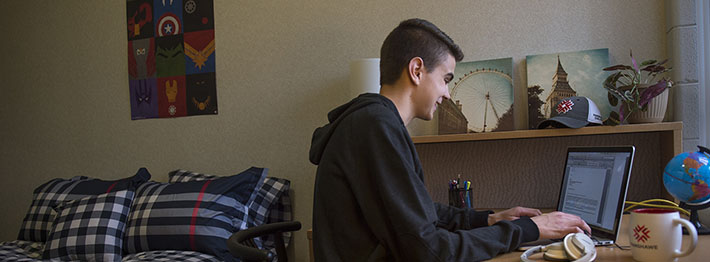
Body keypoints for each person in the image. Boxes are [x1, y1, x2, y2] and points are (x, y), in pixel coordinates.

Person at [309, 18, 591, 261]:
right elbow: (430, 251)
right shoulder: (374, 127)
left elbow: (416, 212)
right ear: (417, 71)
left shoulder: (372, 123)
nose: (446, 93)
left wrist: (487, 219)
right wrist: (531, 230)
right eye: (445, 78)